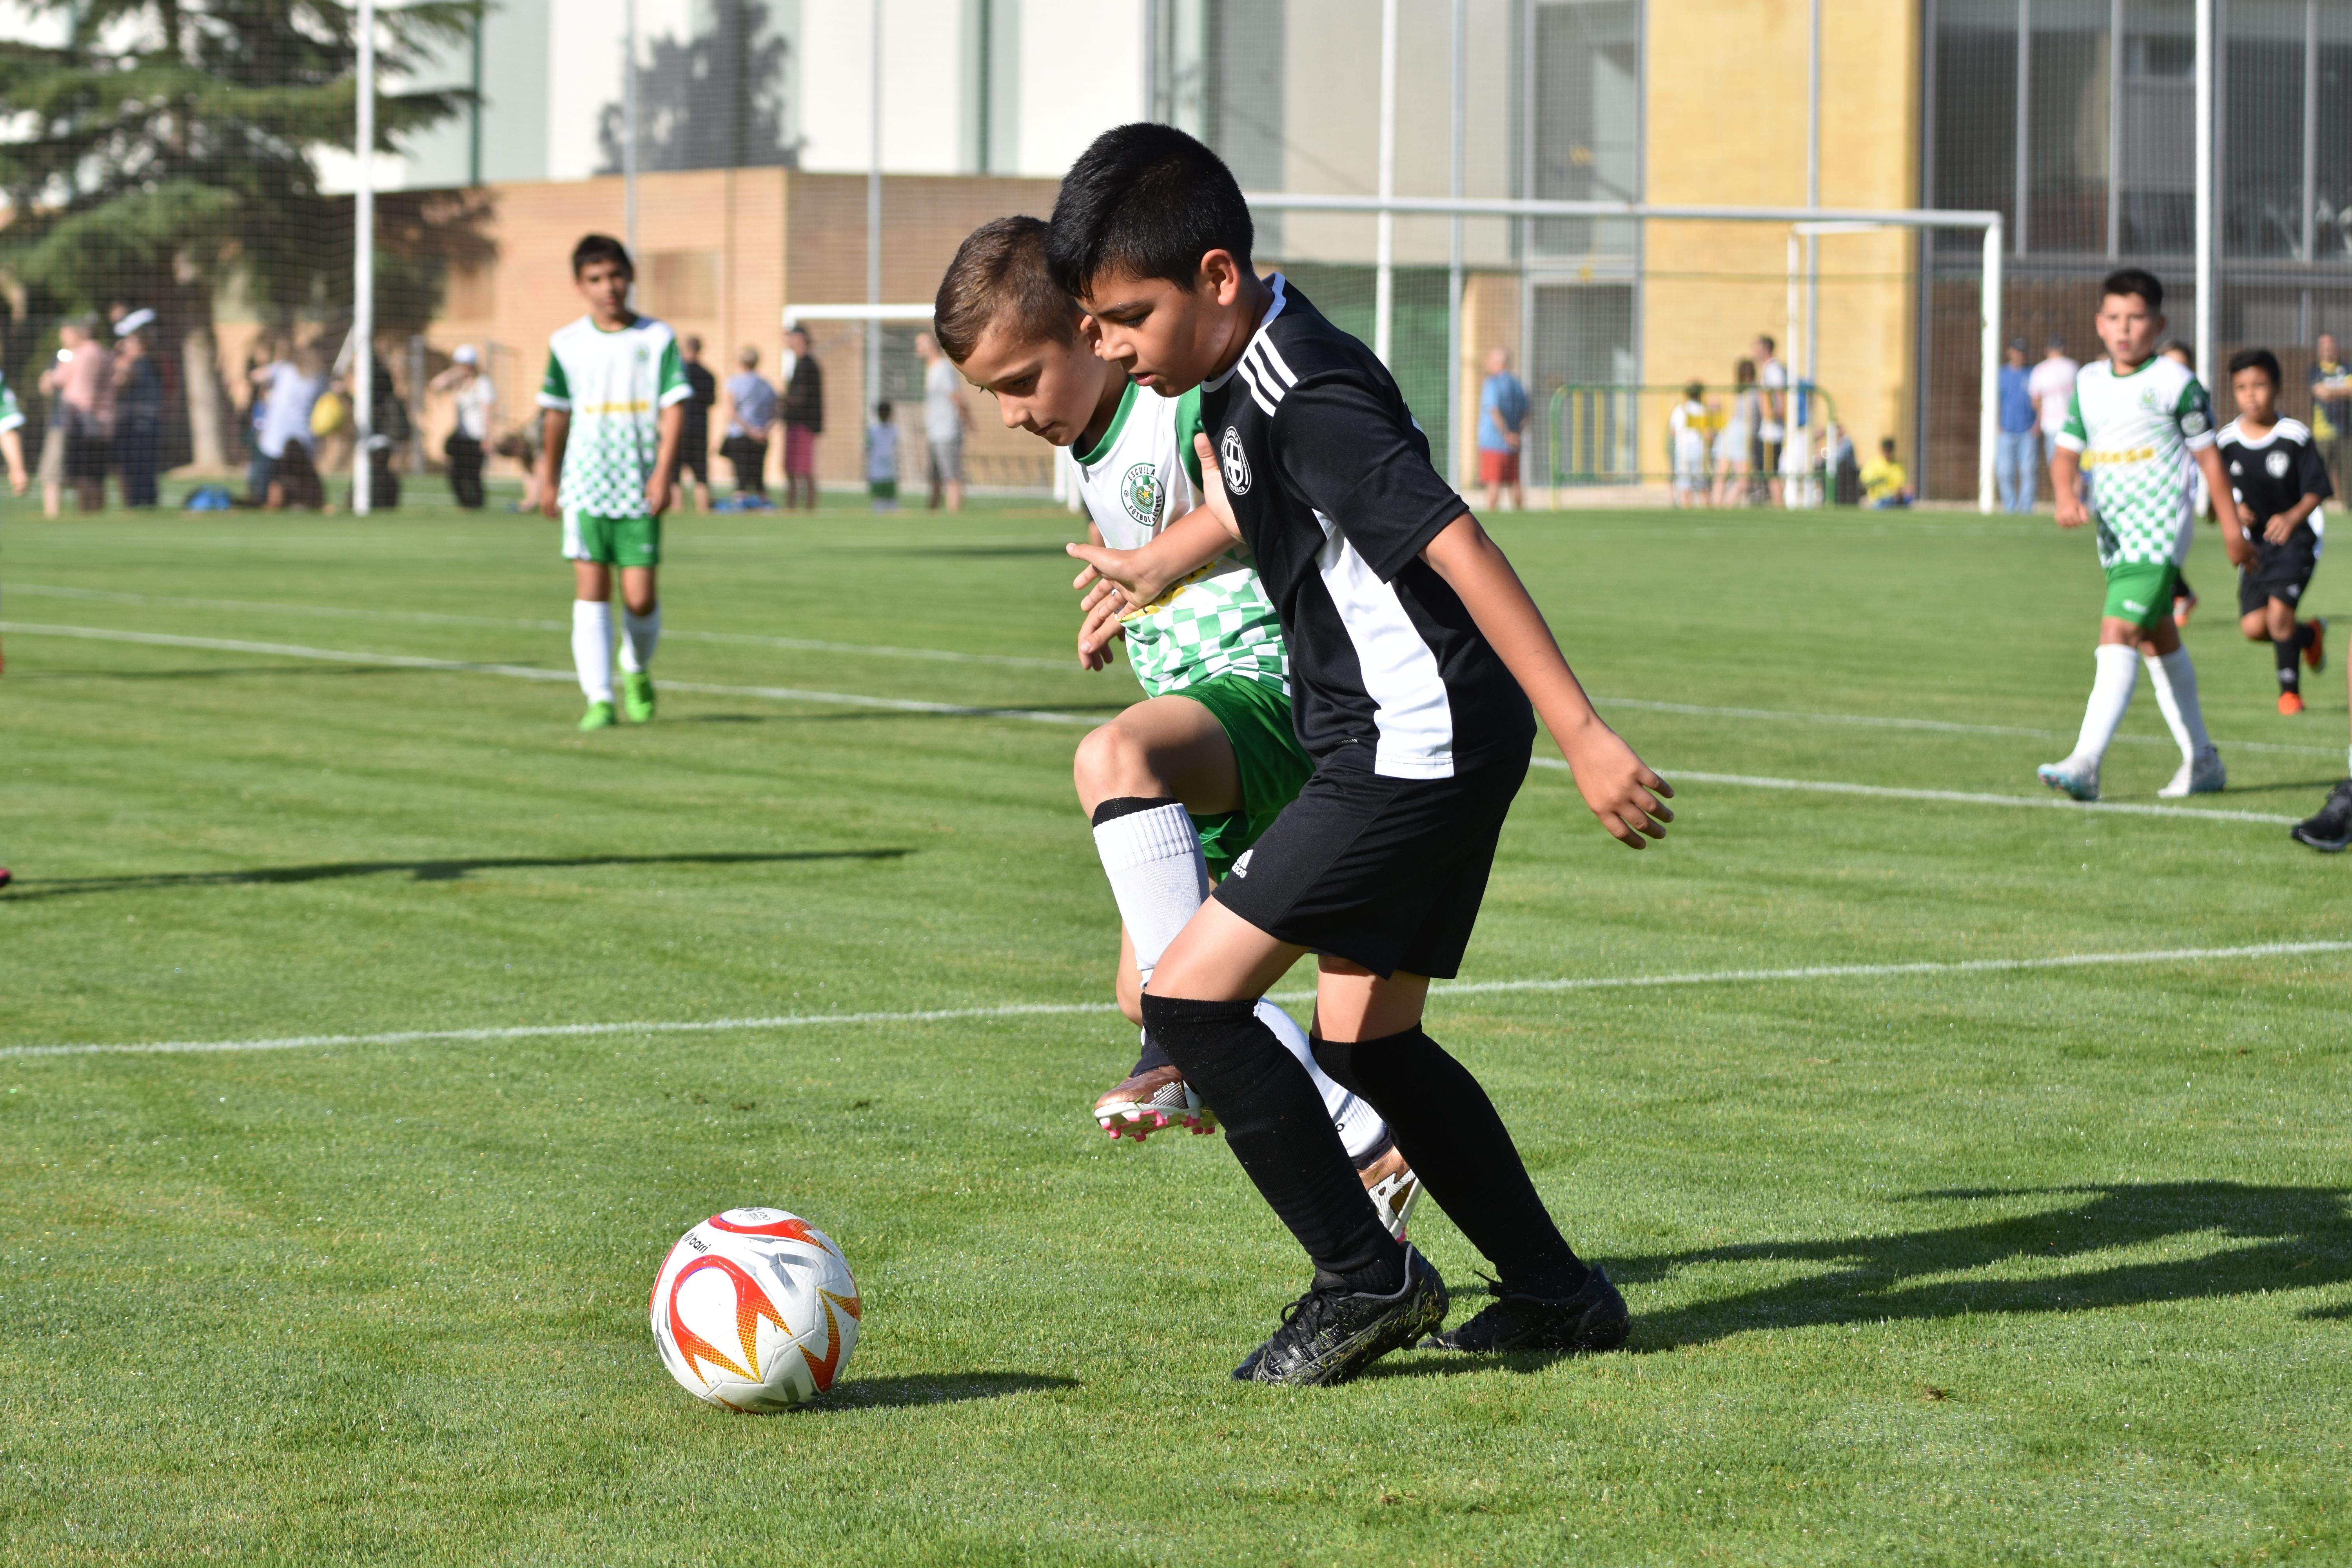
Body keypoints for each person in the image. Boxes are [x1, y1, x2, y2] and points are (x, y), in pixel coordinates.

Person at [1047, 123, 1670, 1385]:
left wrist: (1586, 732)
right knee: (1363, 1042)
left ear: (1215, 277)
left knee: (1186, 998)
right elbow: (1254, 489)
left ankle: (1366, 1279)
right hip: (1416, 733)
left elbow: (1454, 542)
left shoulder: (1305, 388)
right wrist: (1164, 560)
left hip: (1409, 744)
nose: (1103, 346)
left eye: (1121, 317)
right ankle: (1558, 1295)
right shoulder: (1245, 370)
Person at [935, 214, 1424, 1241]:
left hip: (1281, 693)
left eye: (1024, 380)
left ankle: (1188, 1051)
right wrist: (1135, 599)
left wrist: (1166, 560)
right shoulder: (1093, 441)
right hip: (1206, 716)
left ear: (1090, 329)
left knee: (1113, 755)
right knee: (1142, 984)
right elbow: (1176, 548)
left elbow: (1270, 490)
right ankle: (1362, 1136)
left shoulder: (1182, 397)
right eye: (994, 397)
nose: (1015, 414)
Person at [2038, 268, 2236, 803]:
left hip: (2159, 531)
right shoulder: (2088, 382)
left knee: (2118, 630)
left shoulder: (2175, 383)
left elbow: (2210, 460)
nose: (2124, 329)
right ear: (2100, 324)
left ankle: (2086, 763)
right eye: (2114, 318)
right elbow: (2065, 454)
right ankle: (2203, 762)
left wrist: (2234, 531)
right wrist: (2065, 496)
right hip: (2114, 533)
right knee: (2156, 639)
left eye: (2136, 318)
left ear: (2159, 323)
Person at [535, 233, 690, 731]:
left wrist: (664, 473)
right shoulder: (566, 343)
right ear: (580, 285)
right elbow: (556, 416)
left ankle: (636, 669)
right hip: (585, 484)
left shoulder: (657, 338)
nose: (609, 287)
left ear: (631, 276)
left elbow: (675, 408)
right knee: (591, 590)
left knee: (640, 595)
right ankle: (599, 698)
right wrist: (547, 476)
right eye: (596, 279)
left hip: (638, 485)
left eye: (616, 276)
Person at [2215, 348, 2330, 715]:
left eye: (2260, 385)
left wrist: (2292, 516)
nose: (2251, 394)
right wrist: (2233, 510)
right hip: (2255, 548)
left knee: (2279, 617)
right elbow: (2213, 497)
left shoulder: (2294, 436)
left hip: (2296, 541)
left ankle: (2290, 695)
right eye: (2242, 387)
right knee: (2254, 627)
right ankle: (2309, 635)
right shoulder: (2226, 440)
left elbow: (2318, 488)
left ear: (2277, 388)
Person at [44, 316, 112, 511]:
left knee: (77, 468)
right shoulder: (106, 354)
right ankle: (96, 511)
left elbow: (56, 381)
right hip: (103, 419)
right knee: (96, 470)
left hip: (77, 418)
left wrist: (49, 376)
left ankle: (62, 511)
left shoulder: (76, 355)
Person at [250, 344, 323, 510]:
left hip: (275, 436)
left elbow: (256, 376)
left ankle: (262, 501)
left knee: (265, 480)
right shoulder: (319, 377)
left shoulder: (285, 369)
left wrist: (268, 390)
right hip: (304, 437)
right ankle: (300, 503)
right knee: (302, 478)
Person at [429, 344, 496, 509]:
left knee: (473, 475)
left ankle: (477, 506)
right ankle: (465, 505)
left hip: (477, 436)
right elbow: (435, 385)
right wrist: (453, 374)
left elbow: (487, 410)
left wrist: (488, 437)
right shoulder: (458, 383)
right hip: (460, 436)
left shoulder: (483, 383)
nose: (464, 368)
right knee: (455, 474)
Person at [110, 310, 163, 508]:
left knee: (140, 466)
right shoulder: (145, 362)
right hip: (135, 422)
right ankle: (139, 502)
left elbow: (118, 385)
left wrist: (122, 362)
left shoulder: (142, 363)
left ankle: (140, 502)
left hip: (139, 423)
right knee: (135, 465)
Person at [917, 331, 969, 512]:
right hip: (934, 432)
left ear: (931, 346)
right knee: (935, 477)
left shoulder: (943, 369)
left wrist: (967, 420)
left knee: (952, 476)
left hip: (947, 432)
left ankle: (954, 515)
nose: (918, 349)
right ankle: (933, 514)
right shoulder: (930, 369)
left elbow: (956, 397)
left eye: (921, 344)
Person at [2027, 335, 2079, 513]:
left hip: (2051, 424)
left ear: (2047, 350)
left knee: (2056, 463)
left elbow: (2036, 400)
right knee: (2075, 464)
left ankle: (2063, 501)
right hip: (2073, 424)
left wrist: (2038, 420)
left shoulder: (2040, 370)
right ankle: (2076, 500)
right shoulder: (2073, 367)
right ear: (2063, 349)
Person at [1476, 346, 1529, 512]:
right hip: (1513, 442)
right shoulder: (1517, 384)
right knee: (1515, 482)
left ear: (1500, 363)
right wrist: (1516, 434)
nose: (1488, 363)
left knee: (1494, 482)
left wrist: (1506, 434)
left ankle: (1491, 518)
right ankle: (1521, 518)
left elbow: (1494, 410)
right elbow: (1527, 413)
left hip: (1494, 441)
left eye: (1491, 359)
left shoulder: (1492, 383)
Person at [722, 346, 777, 502]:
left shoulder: (734, 383)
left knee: (741, 481)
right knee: (759, 479)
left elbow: (731, 412)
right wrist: (764, 430)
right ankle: (764, 507)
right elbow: (776, 412)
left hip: (740, 436)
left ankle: (740, 508)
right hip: (761, 437)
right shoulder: (767, 385)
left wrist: (749, 431)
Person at [781, 325, 824, 510]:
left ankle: (809, 506)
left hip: (803, 424)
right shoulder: (799, 364)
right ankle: (791, 505)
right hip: (794, 423)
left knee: (804, 468)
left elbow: (802, 397)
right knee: (790, 467)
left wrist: (783, 399)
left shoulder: (808, 365)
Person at [675, 335, 716, 512]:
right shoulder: (708, 375)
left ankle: (677, 509)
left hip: (679, 427)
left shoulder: (677, 374)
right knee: (701, 474)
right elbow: (712, 401)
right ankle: (703, 509)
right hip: (700, 428)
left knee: (674, 474)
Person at [1996, 338, 2037, 513]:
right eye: (2016, 351)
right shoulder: (2001, 375)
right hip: (2006, 430)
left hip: (2028, 430)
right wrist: (1997, 423)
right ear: (2009, 352)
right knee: (2005, 471)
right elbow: (1995, 401)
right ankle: (2010, 506)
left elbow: (2038, 400)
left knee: (2028, 470)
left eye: (2022, 351)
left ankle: (2026, 507)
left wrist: (2037, 423)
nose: (2019, 355)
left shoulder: (2032, 374)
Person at [2307, 331, 2350, 497]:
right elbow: (2320, 392)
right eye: (2324, 346)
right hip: (2322, 433)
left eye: (2330, 345)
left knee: (2348, 477)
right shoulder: (2315, 370)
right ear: (2319, 349)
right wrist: (2343, 390)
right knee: (2319, 476)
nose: (2328, 349)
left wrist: (2331, 390)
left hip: (2346, 431)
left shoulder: (2346, 368)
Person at [1713, 357, 1757, 506]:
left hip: (1729, 432)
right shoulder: (1756, 391)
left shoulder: (1740, 391)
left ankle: (1717, 505)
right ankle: (1725, 504)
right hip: (1741, 435)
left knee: (1722, 475)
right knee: (1742, 480)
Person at [1754, 334, 1789, 505]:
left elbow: (1780, 400)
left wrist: (1773, 413)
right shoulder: (1769, 369)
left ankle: (1779, 504)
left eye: (1756, 347)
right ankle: (1776, 503)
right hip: (1767, 430)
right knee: (1767, 471)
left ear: (1765, 349)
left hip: (1773, 432)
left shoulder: (1773, 370)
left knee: (1771, 471)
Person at [1667, 380, 1710, 507]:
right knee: (1702, 487)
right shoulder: (1702, 410)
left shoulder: (1680, 409)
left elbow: (1673, 431)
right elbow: (1707, 433)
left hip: (1683, 451)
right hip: (1698, 450)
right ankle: (1709, 512)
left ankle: (1687, 512)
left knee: (1685, 486)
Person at [866, 400, 899, 511]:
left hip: (878, 473)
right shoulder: (894, 431)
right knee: (892, 504)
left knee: (879, 504)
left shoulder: (873, 431)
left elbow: (868, 450)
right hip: (889, 472)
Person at [1860, 437, 1913, 508]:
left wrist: (1904, 491)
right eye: (1886, 451)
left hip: (1895, 498)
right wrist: (1879, 480)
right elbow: (1865, 481)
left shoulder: (1898, 466)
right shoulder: (1873, 463)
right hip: (1879, 499)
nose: (1887, 454)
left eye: (1889, 451)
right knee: (1884, 502)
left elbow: (1902, 485)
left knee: (1909, 499)